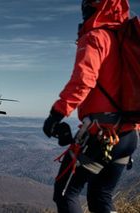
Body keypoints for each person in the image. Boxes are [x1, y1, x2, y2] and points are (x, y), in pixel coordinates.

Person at [43, 0, 139, 213]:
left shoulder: (96, 38)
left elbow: (83, 81)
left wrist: (56, 114)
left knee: (66, 193)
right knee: (101, 195)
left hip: (100, 136)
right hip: (128, 136)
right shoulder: (126, 41)